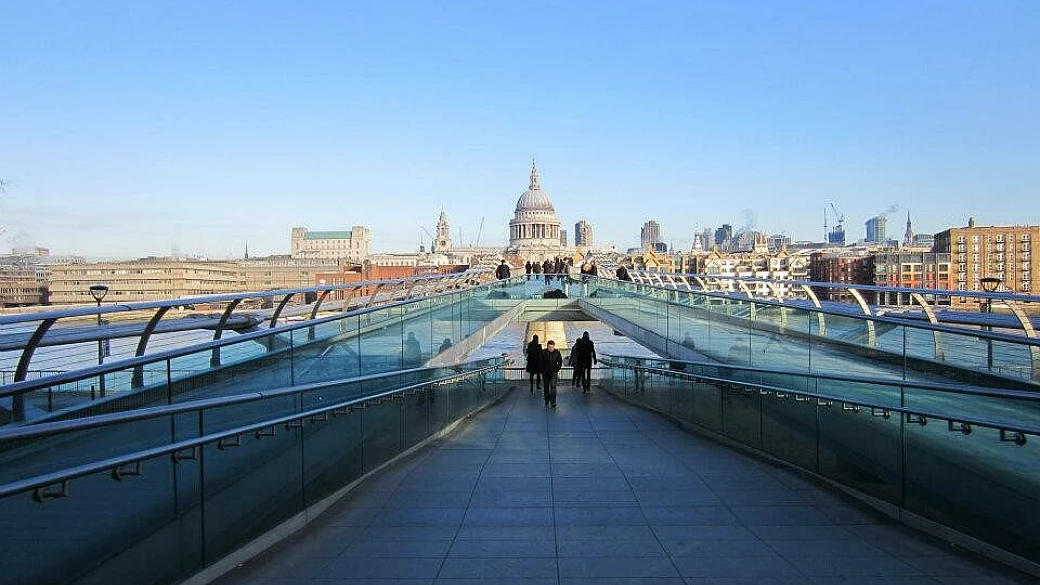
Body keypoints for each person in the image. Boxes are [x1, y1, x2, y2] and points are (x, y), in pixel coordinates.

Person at [541, 339, 563, 408]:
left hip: (553, 373)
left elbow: (560, 361)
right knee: (546, 387)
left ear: (554, 346)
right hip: (545, 373)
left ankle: (553, 402)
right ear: (547, 346)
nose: (551, 349)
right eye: (550, 347)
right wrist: (542, 370)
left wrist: (557, 369)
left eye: (552, 347)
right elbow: (540, 362)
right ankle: (547, 401)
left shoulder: (557, 352)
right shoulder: (543, 352)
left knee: (553, 387)